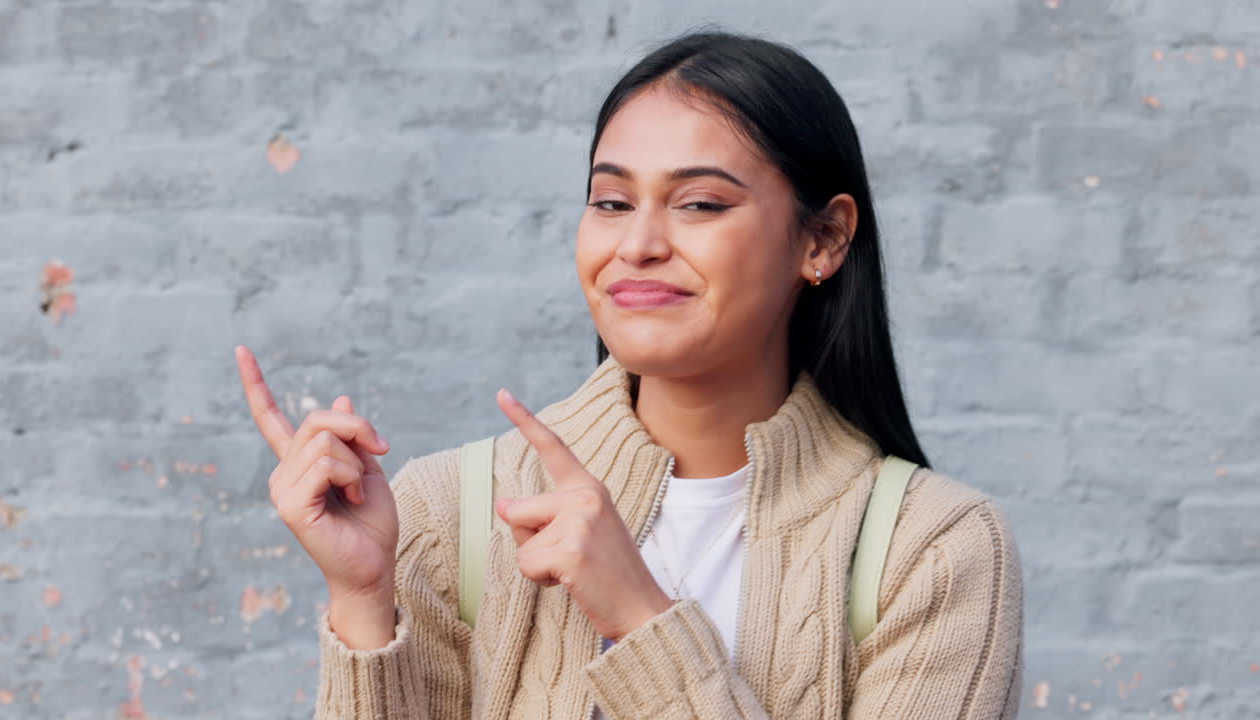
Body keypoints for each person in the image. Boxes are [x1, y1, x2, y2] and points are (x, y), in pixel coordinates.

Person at [236, 28, 1024, 720]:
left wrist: (643, 618)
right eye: (611, 202)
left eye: (701, 205)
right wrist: (365, 602)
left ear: (823, 240)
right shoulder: (446, 513)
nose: (638, 243)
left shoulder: (933, 548)